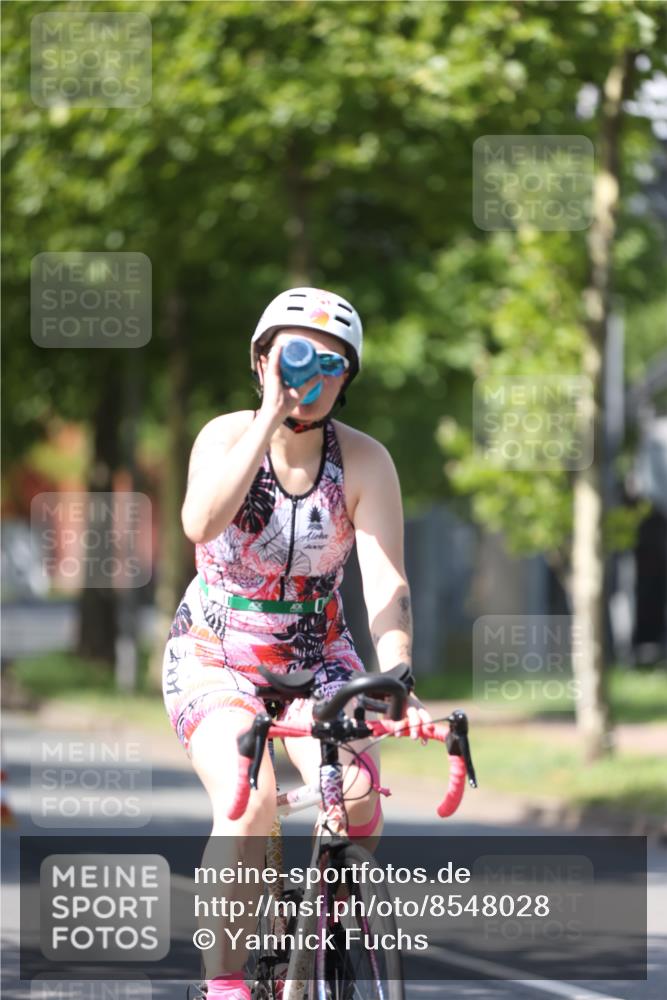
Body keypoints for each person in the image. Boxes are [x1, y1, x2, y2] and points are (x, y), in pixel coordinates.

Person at [162, 287, 431, 999]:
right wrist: (270, 415)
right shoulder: (223, 437)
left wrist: (397, 667)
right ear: (259, 360)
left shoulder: (366, 461)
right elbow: (199, 521)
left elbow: (385, 581)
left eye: (331, 365)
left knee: (361, 792)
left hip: (319, 654)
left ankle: (329, 924)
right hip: (217, 653)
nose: (313, 374)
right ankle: (225, 984)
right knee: (247, 805)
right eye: (294, 356)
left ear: (348, 380)